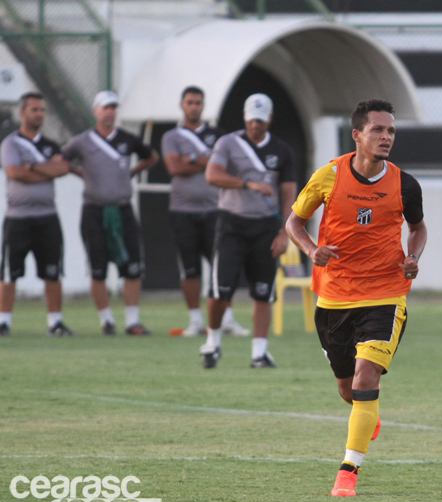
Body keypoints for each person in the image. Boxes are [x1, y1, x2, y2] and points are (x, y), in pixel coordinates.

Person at [285, 99, 426, 497]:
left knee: (367, 377)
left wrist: (412, 257)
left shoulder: (405, 184)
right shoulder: (328, 176)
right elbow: (294, 221)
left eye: (391, 131)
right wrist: (312, 250)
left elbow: (418, 228)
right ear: (357, 135)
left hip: (385, 292)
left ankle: (348, 471)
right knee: (349, 391)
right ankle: (367, 413)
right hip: (333, 297)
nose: (386, 137)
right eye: (378, 130)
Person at [199, 93, 296, 369]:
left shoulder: (281, 150)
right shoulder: (228, 143)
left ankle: (259, 352)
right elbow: (212, 175)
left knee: (263, 290)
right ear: (244, 117)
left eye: (261, 120)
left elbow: (289, 192)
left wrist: (284, 232)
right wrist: (247, 184)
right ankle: (213, 342)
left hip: (265, 226)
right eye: (252, 120)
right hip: (231, 222)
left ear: (270, 120)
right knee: (221, 290)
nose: (256, 125)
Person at [62, 90, 159, 335]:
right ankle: (106, 320)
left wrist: (132, 172)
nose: (110, 112)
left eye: (113, 107)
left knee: (133, 267)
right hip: (94, 211)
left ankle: (132, 321)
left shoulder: (127, 139)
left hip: (122, 209)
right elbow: (61, 160)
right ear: (96, 111)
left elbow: (151, 157)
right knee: (98, 268)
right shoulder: (82, 141)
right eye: (105, 107)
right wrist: (82, 174)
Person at [161, 86, 249, 337]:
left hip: (215, 210)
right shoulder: (172, 136)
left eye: (198, 102)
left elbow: (222, 166)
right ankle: (195, 322)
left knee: (222, 265)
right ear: (182, 105)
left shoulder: (218, 135)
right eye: (189, 102)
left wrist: (190, 159)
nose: (194, 107)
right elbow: (174, 167)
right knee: (189, 268)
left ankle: (227, 319)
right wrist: (203, 160)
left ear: (203, 106)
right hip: (182, 211)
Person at [0, 92, 73, 336]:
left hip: (47, 217)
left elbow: (63, 168)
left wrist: (29, 165)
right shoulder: (10, 143)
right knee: (10, 273)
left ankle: (55, 322)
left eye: (42, 110)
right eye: (35, 110)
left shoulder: (51, 144)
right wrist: (45, 169)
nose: (40, 114)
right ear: (22, 112)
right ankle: (4, 321)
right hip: (17, 218)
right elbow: (13, 172)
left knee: (52, 272)